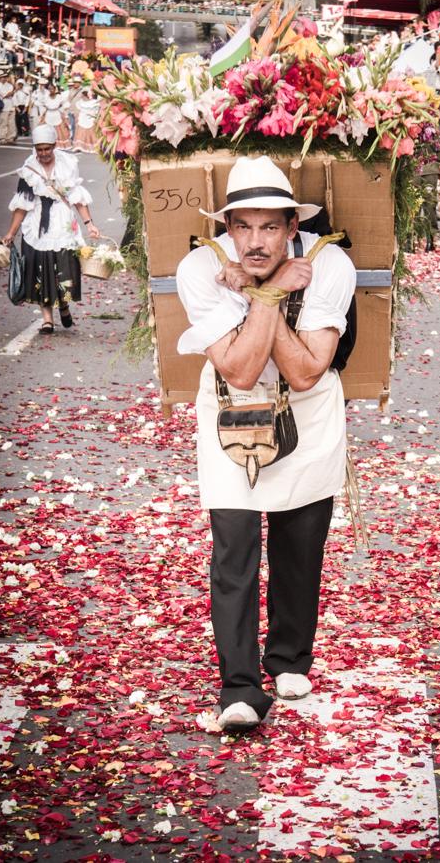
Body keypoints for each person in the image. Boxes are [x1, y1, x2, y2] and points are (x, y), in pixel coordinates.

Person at [176, 156, 356, 732]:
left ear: (291, 227)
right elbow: (240, 368)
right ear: (226, 229)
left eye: (270, 227)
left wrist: (264, 296)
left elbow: (305, 373)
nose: (255, 242)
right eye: (243, 227)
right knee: (233, 547)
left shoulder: (330, 264)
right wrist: (271, 293)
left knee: (300, 542)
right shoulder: (198, 268)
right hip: (232, 410)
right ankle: (239, 686)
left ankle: (288, 658)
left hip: (309, 414)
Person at [2, 124, 100, 334]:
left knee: (63, 268)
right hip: (36, 225)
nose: (44, 153)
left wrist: (89, 224)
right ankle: (47, 319)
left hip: (62, 223)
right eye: (40, 149)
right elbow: (22, 204)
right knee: (40, 269)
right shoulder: (29, 169)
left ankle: (63, 306)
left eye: (47, 148)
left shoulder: (67, 165)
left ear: (54, 145)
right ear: (35, 148)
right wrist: (11, 232)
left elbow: (77, 198)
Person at [42, 83, 71, 149]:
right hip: (49, 115)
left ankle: (59, 144)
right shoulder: (46, 97)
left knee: (59, 130)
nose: (51, 90)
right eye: (49, 89)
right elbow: (44, 106)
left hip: (57, 115)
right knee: (48, 130)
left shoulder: (59, 97)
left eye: (52, 89)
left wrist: (63, 111)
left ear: (55, 89)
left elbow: (65, 104)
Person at [72, 87, 100, 153]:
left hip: (91, 119)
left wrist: (95, 118)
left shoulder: (94, 102)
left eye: (83, 95)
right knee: (81, 133)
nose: (82, 97)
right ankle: (79, 146)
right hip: (82, 119)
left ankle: (94, 147)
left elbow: (96, 111)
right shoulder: (80, 102)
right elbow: (78, 110)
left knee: (92, 134)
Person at [0, 71, 17, 144]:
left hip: (11, 105)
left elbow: (12, 93)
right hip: (3, 107)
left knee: (12, 123)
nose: (4, 78)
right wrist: (12, 92)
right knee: (3, 123)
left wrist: (11, 92)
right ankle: (2, 137)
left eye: (4, 77)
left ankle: (10, 138)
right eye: (2, 77)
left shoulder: (8, 85)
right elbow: (5, 95)